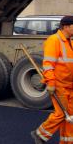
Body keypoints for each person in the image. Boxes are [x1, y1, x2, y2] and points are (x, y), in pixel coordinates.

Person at [31, 16, 73, 144]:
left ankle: (67, 141)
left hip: (70, 85)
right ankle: (40, 134)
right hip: (59, 84)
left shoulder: (69, 41)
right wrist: (50, 83)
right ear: (66, 27)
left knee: (70, 116)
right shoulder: (54, 40)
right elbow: (48, 64)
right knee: (61, 114)